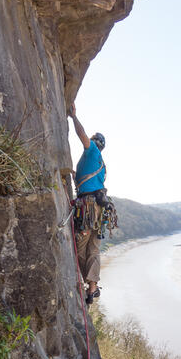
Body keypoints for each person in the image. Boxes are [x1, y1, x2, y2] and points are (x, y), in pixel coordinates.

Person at [68, 103, 106, 305]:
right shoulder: (101, 164)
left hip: (88, 207)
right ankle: (93, 288)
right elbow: (91, 182)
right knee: (93, 248)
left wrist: (74, 117)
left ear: (94, 142)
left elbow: (81, 134)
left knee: (80, 247)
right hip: (99, 209)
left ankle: (89, 283)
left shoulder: (91, 152)